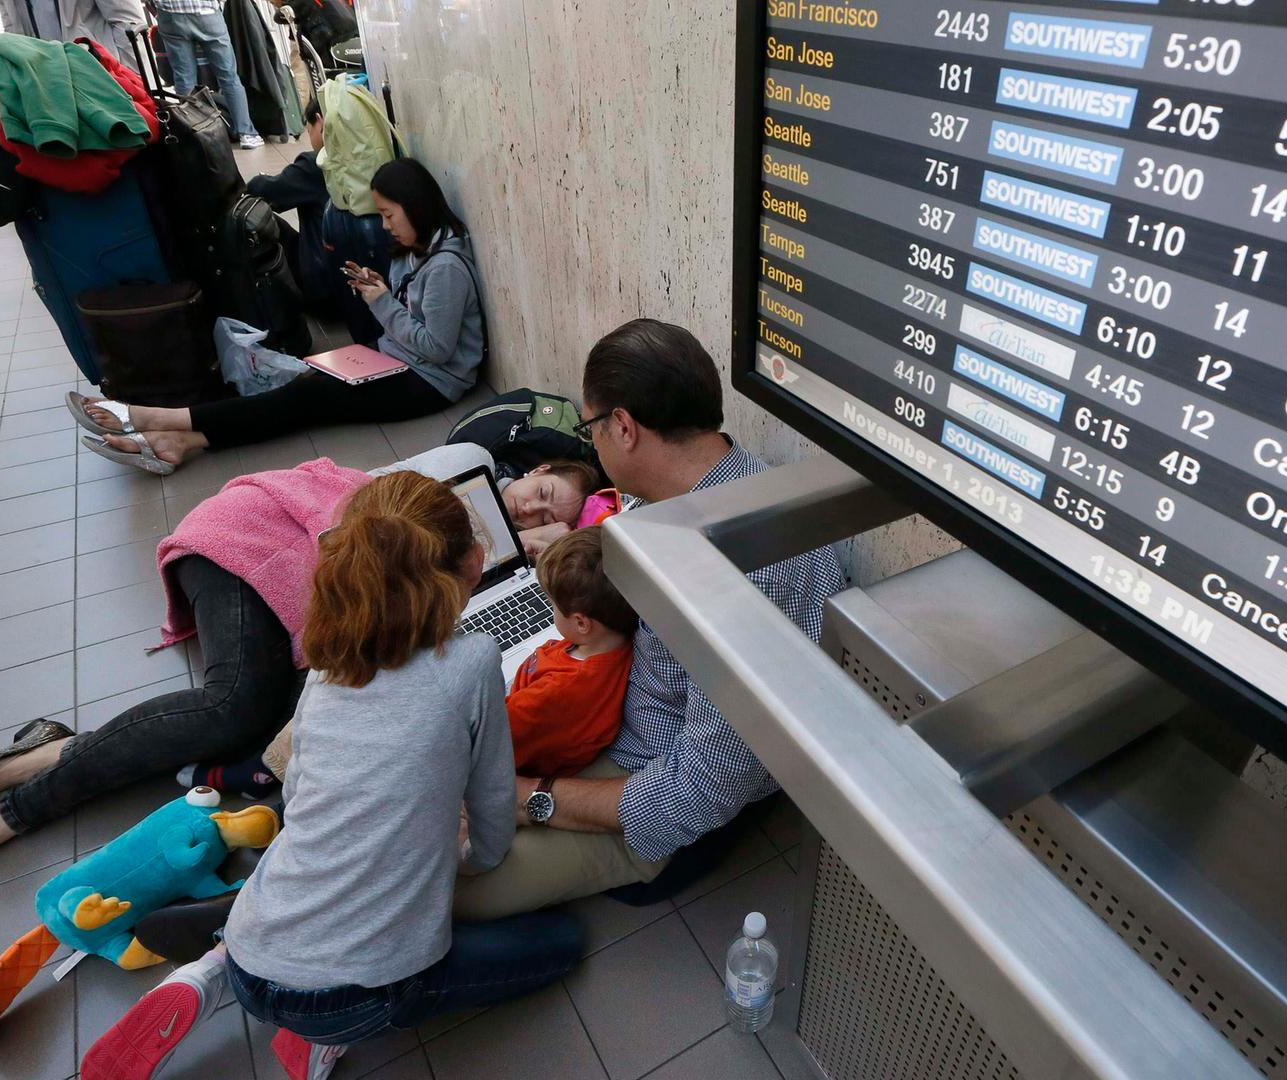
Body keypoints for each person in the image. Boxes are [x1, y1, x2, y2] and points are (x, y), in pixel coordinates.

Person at [0, 448, 595, 913]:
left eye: (550, 516)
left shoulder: (443, 551)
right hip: (239, 547)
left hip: (312, 596)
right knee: (236, 711)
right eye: (537, 492)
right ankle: (5, 810)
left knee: (267, 719)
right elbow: (346, 604)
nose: (532, 509)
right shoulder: (408, 509)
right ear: (526, 470)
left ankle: (48, 748)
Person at [81, 471, 583, 1080]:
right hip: (353, 998)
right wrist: (468, 859)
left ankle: (211, 973)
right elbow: (494, 816)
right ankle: (317, 1036)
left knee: (298, 886)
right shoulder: (473, 660)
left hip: (254, 942)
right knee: (562, 943)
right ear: (476, 564)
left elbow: (298, 798)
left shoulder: (328, 666)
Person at [450, 319, 845, 922]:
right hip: (614, 714)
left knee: (436, 890)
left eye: (591, 428)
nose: (595, 445)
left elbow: (698, 792)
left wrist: (532, 800)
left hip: (653, 784)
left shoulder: (744, 574)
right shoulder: (679, 492)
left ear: (625, 428)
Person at [71, 158, 486, 474]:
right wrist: (382, 289)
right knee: (305, 389)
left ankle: (156, 417)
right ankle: (184, 440)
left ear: (414, 207)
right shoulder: (418, 249)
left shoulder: (446, 266)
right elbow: (413, 314)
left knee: (306, 397)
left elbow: (438, 348)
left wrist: (382, 302)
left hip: (431, 382)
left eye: (389, 215)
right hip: (394, 359)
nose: (384, 225)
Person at [192, 524, 637, 800]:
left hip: (497, 756)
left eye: (552, 605)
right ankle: (264, 769)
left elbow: (483, 749)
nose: (548, 611)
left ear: (582, 622)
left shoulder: (559, 694)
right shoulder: (611, 647)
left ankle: (260, 773)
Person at [246, 91, 394, 344]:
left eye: (308, 128)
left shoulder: (316, 165)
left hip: (326, 292)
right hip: (369, 286)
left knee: (270, 224)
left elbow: (261, 190)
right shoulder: (375, 159)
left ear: (320, 121)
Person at [152, 0, 264, 149]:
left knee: (184, 78)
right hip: (207, 13)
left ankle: (195, 133)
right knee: (228, 76)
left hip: (171, 15)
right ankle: (247, 134)